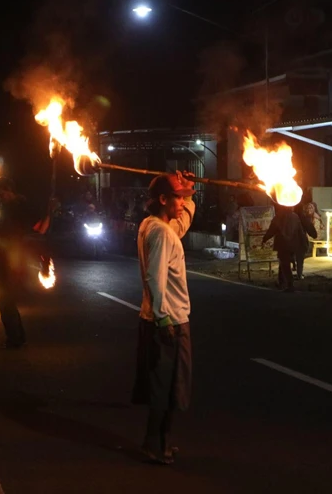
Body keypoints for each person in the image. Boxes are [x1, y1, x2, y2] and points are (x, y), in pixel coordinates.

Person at [131, 172, 196, 465]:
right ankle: (154, 445)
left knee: (172, 386)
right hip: (168, 320)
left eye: (184, 197)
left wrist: (190, 187)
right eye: (178, 197)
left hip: (167, 318)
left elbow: (182, 222)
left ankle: (162, 441)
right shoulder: (159, 232)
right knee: (163, 388)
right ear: (162, 199)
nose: (182, 203)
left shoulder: (157, 226)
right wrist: (163, 319)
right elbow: (155, 278)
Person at [0, 177, 52, 349]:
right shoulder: (9, 207)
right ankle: (17, 336)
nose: (0, 197)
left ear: (9, 190)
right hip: (8, 257)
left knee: (6, 300)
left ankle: (14, 338)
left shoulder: (18, 208)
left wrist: (48, 214)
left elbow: (35, 229)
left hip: (13, 260)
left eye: (2, 194)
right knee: (7, 301)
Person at [262, 203, 308, 291]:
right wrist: (303, 243)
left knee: (284, 264)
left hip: (282, 244)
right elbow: (300, 231)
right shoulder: (295, 216)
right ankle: (282, 282)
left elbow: (272, 229)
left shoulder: (279, 216)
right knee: (284, 263)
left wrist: (265, 239)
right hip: (293, 244)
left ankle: (289, 284)